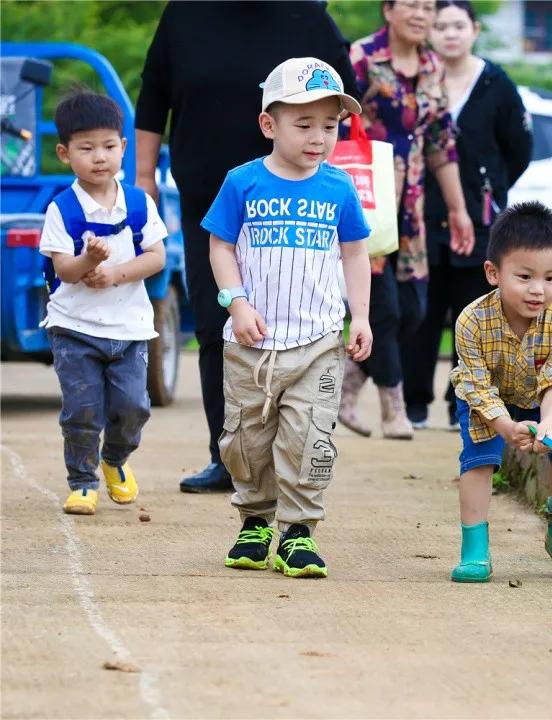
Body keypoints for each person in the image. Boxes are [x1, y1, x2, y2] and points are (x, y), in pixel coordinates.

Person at [135, 1, 361, 493]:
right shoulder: (185, 14)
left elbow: (344, 104)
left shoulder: (308, 17)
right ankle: (229, 459)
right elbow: (153, 98)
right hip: (211, 205)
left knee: (302, 329)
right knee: (221, 326)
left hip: (299, 207)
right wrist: (143, 177)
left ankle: (295, 456)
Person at [202, 59, 372, 579]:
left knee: (309, 437)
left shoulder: (339, 188)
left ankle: (298, 534)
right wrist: (236, 301)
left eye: (330, 125)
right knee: (246, 438)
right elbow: (220, 245)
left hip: (319, 340)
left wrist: (359, 316)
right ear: (269, 125)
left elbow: (355, 254)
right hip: (252, 342)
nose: (318, 137)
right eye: (304, 124)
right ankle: (255, 520)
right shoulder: (242, 182)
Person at [339, 0, 475, 441]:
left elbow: (440, 142)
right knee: (386, 309)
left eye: (428, 7)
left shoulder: (432, 64)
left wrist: (458, 209)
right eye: (411, 5)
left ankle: (344, 389)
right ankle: (393, 408)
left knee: (415, 308)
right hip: (366, 201)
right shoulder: (360, 57)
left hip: (411, 207)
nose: (421, 14)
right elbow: (335, 127)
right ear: (388, 10)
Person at [402, 0, 532, 430]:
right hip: (420, 216)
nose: (450, 34)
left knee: (471, 315)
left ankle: (462, 404)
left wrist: (487, 189)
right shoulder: (418, 77)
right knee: (420, 312)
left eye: (459, 25)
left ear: (474, 30)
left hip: (478, 221)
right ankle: (413, 402)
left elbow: (518, 150)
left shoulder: (496, 83)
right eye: (440, 26)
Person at [448, 201, 552, 583]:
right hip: (487, 400)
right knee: (477, 460)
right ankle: (475, 549)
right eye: (525, 276)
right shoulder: (471, 321)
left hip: (541, 398)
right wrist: (505, 425)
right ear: (494, 273)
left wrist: (547, 425)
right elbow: (476, 387)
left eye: (550, 278)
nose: (538, 290)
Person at [39, 90, 168, 515]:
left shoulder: (138, 203)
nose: (100, 157)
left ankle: (114, 460)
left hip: (129, 328)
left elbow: (156, 256)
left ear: (123, 148)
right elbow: (63, 270)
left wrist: (113, 273)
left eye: (109, 147)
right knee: (82, 409)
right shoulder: (62, 209)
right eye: (86, 148)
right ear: (64, 153)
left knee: (134, 407)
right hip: (75, 326)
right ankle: (81, 481)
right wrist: (87, 260)